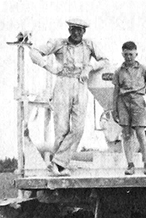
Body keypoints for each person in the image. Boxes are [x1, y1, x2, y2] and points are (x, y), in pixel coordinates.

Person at [29, 18, 108, 176]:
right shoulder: (59, 43)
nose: (76, 32)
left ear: (84, 31)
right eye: (73, 29)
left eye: (80, 29)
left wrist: (90, 67)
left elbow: (104, 60)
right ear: (69, 30)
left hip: (80, 84)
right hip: (63, 84)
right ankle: (60, 167)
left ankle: (57, 162)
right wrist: (48, 66)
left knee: (78, 128)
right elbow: (34, 52)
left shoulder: (89, 45)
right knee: (62, 128)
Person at [112, 41, 146, 175]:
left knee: (140, 133)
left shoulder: (143, 69)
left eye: (131, 54)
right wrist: (114, 109)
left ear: (136, 54)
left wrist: (139, 93)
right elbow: (115, 91)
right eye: (126, 54)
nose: (128, 57)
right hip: (122, 102)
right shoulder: (118, 71)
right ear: (122, 54)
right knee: (126, 134)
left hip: (138, 102)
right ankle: (130, 165)